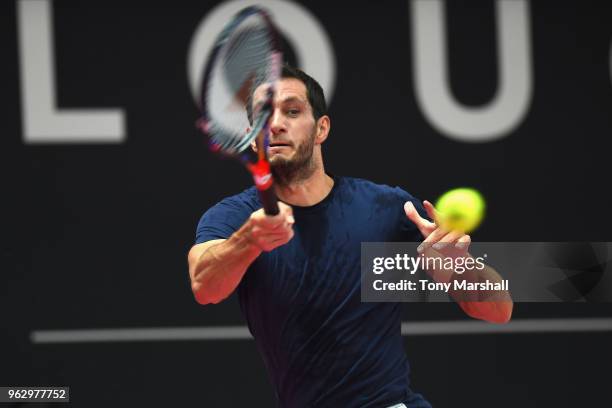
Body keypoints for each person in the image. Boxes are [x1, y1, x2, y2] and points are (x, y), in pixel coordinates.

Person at [188, 65, 512, 408]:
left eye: (293, 111)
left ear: (321, 129)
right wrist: (249, 241)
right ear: (252, 135)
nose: (277, 123)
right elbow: (204, 287)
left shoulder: (386, 208)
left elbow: (498, 309)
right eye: (264, 116)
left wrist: (459, 268)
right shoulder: (234, 218)